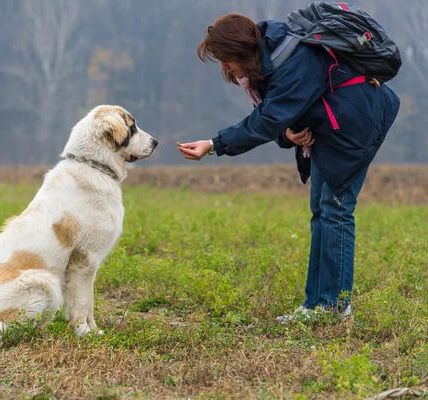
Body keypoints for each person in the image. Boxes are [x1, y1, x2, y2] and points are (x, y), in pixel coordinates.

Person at [177, 14, 400, 322]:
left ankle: (334, 307)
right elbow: (279, 115)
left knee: (336, 210)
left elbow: (269, 118)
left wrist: (215, 144)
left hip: (355, 125)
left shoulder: (295, 60)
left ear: (243, 50)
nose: (224, 67)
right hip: (331, 127)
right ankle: (315, 305)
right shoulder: (271, 60)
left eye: (225, 59)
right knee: (322, 211)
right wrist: (287, 133)